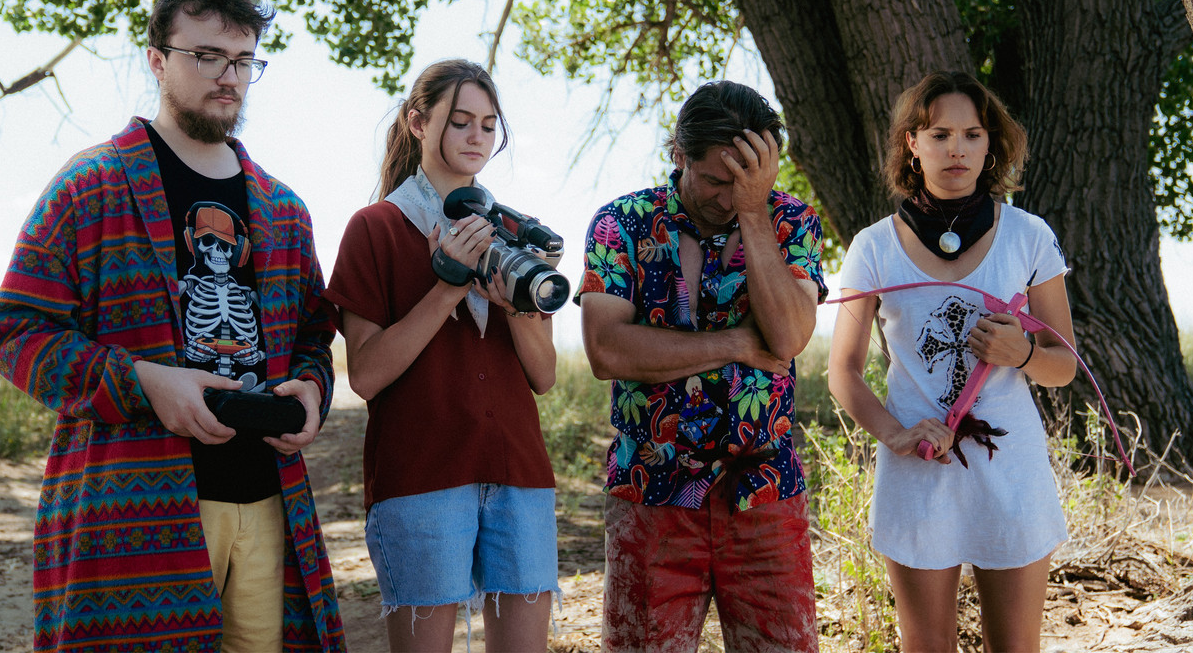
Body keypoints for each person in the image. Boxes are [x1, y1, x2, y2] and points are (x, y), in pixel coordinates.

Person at [0, 0, 344, 652]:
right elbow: (17, 333)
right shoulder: (90, 185)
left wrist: (311, 388)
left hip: (269, 504)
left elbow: (313, 337)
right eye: (206, 56)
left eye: (243, 61)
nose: (228, 76)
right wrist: (143, 382)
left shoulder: (284, 209)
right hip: (132, 508)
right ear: (156, 59)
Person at [828, 70, 1076, 652]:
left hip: (1011, 471)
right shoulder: (874, 246)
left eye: (971, 134)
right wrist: (894, 433)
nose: (956, 149)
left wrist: (1022, 353)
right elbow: (843, 370)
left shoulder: (1028, 236)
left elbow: (1065, 365)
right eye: (939, 134)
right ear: (912, 144)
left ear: (990, 145)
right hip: (918, 468)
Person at [576, 80, 826, 652]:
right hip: (651, 490)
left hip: (764, 492)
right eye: (715, 180)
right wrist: (737, 343)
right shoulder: (622, 222)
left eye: (747, 182)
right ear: (678, 154)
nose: (728, 198)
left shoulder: (790, 220)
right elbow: (607, 351)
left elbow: (788, 337)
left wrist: (755, 211)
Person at [323, 59, 559, 652]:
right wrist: (448, 285)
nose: (477, 136)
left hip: (517, 470)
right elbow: (366, 376)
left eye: (488, 125)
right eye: (460, 121)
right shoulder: (375, 228)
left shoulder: (515, 237)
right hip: (421, 474)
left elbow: (544, 374)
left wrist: (515, 305)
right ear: (417, 122)